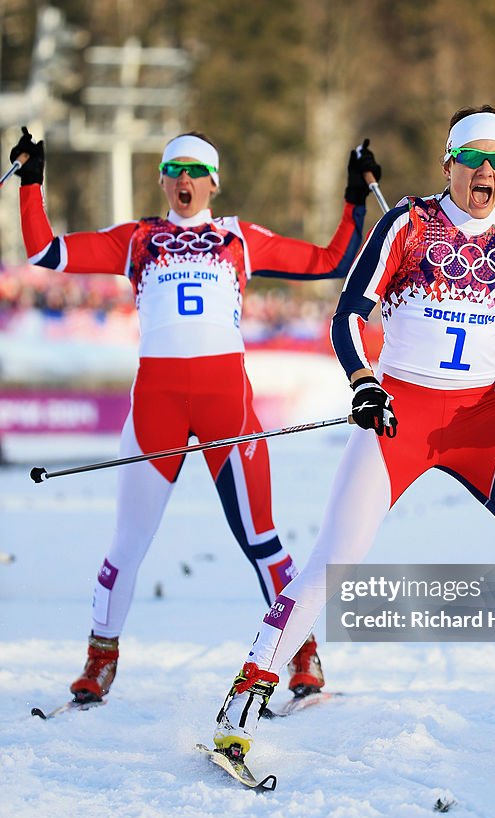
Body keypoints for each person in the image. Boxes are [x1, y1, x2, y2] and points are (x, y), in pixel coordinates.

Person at [212, 106, 495, 765]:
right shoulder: (408, 223)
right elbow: (348, 316)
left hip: (479, 421)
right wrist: (364, 382)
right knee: (332, 563)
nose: (483, 172)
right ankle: (244, 701)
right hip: (401, 417)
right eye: (470, 159)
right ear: (447, 163)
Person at [10, 126, 382, 703]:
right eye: (174, 172)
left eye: (195, 173)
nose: (185, 182)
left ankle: (301, 653)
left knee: (262, 541)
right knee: (127, 544)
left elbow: (333, 260)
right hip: (156, 406)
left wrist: (353, 196)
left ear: (214, 182)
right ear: (162, 180)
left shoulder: (240, 237)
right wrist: (32, 183)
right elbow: (45, 252)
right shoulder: (138, 238)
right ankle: (99, 658)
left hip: (226, 408)